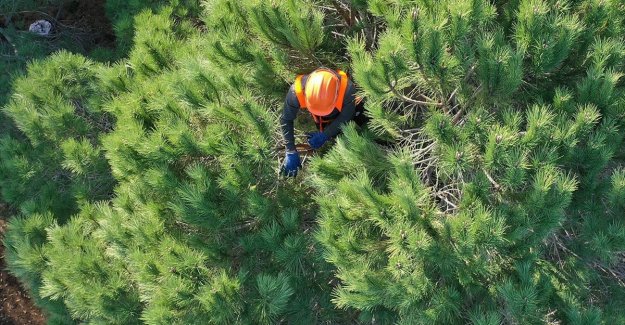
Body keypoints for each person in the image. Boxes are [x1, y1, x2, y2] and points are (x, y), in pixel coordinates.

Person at [280, 67, 366, 177]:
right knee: (335, 137)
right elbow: (286, 119)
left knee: (362, 115)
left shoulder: (347, 90)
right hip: (322, 113)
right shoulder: (296, 91)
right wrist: (290, 150)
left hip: (347, 109)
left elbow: (346, 116)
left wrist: (325, 134)